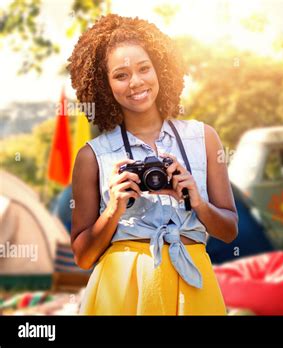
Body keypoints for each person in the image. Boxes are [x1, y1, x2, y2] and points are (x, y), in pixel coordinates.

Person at [68, 14, 238, 315]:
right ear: (104, 85)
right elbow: (83, 257)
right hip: (121, 292)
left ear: (160, 68)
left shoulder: (205, 137)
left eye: (144, 68)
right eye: (120, 75)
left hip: (192, 286)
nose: (136, 82)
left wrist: (197, 202)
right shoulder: (91, 156)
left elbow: (228, 231)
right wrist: (113, 209)